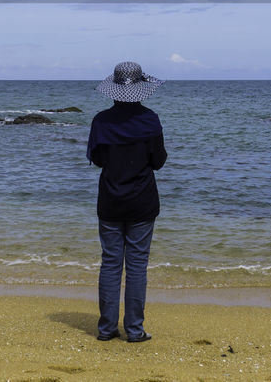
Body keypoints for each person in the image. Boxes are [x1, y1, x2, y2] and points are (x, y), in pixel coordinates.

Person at [86, 61, 167, 343]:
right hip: (142, 201)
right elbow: (158, 162)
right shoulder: (150, 120)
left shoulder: (101, 121)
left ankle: (107, 329)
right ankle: (134, 330)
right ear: (142, 90)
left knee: (110, 263)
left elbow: (97, 160)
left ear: (113, 90)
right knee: (136, 266)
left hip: (110, 199)